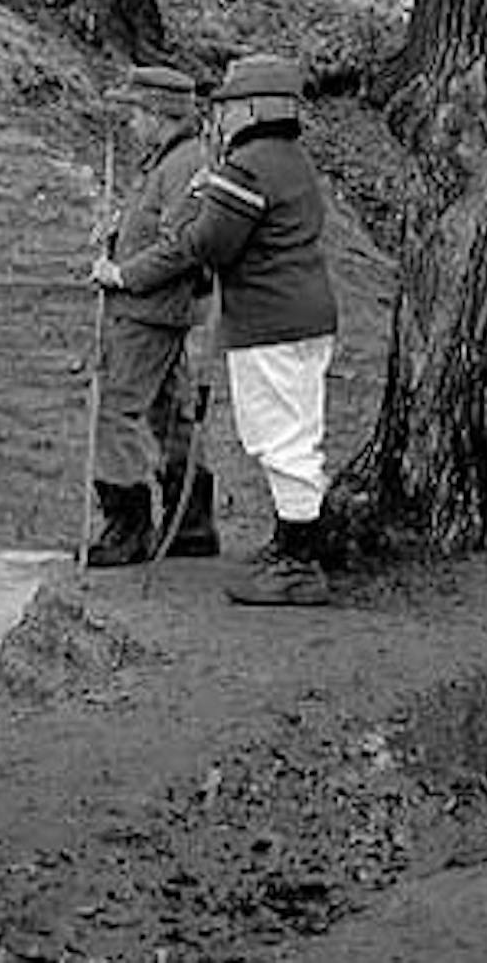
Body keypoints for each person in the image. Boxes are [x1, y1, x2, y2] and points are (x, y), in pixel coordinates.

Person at [92, 53, 338, 606]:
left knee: (284, 440)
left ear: (252, 108)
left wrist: (125, 272)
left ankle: (297, 561)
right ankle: (280, 546)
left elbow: (205, 243)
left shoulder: (250, 165)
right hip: (286, 316)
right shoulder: (280, 159)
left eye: (226, 106)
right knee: (279, 434)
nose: (218, 117)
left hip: (274, 319)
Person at [85, 64, 219, 568]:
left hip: (149, 310)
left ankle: (129, 530)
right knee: (170, 415)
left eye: (134, 112)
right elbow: (155, 231)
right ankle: (191, 526)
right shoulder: (166, 161)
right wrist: (116, 237)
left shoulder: (185, 164)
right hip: (156, 309)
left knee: (116, 411)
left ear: (158, 113)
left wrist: (123, 276)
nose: (129, 123)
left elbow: (180, 246)